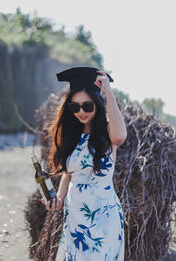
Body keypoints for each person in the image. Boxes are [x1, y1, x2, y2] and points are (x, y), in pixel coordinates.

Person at [42, 67, 127, 261]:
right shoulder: (71, 135)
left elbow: (120, 137)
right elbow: (69, 173)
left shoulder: (107, 130)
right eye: (75, 107)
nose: (81, 112)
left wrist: (108, 92)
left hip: (104, 219)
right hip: (75, 218)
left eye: (87, 106)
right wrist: (57, 199)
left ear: (97, 104)